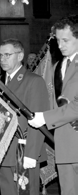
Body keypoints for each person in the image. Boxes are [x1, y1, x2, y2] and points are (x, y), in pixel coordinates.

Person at [28, 15, 78, 195]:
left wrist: (44, 118)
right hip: (64, 145)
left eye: (65, 40)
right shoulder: (59, 66)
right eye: (58, 40)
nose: (60, 45)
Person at [0, 38, 50, 195]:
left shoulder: (33, 81)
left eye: (7, 55)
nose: (3, 59)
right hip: (3, 152)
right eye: (0, 55)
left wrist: (31, 154)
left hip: (22, 152)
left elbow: (38, 120)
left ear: (20, 56)